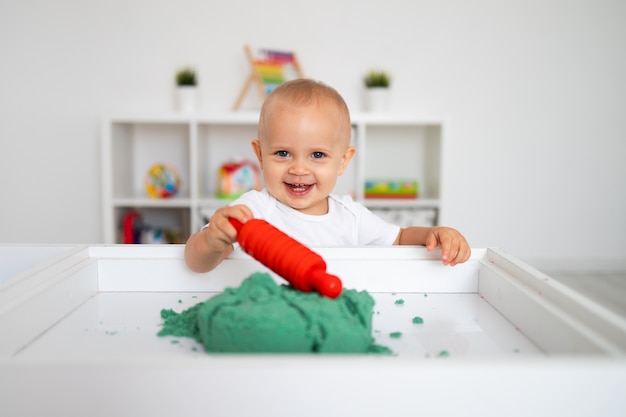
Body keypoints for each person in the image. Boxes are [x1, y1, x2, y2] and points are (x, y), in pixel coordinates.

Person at [185, 79, 471, 273]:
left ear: (343, 160)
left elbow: (399, 239)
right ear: (260, 154)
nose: (299, 169)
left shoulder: (351, 216)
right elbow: (195, 262)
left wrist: (434, 234)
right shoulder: (253, 210)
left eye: (317, 155)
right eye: (283, 153)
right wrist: (213, 241)